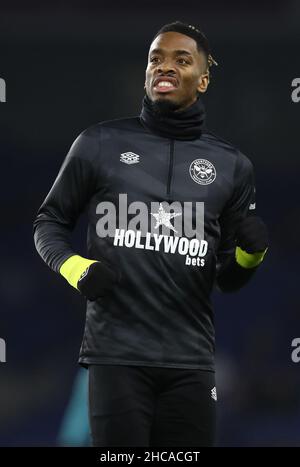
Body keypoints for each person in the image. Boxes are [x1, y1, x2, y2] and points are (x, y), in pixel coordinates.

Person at [33, 21, 268, 447]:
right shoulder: (98, 143)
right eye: (155, 58)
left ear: (204, 78)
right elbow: (48, 223)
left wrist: (250, 256)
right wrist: (76, 268)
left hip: (192, 362)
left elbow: (228, 278)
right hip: (114, 357)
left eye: (182, 59)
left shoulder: (233, 166)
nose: (165, 66)